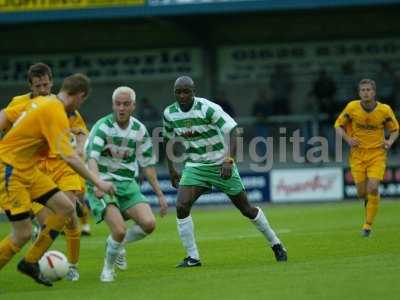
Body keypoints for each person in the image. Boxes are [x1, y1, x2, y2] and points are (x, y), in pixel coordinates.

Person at [0, 73, 114, 286]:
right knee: (23, 233)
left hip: (29, 170)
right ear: (79, 95)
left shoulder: (44, 102)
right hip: (10, 170)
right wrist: (98, 182)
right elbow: (69, 157)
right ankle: (31, 258)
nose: (79, 106)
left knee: (65, 208)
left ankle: (30, 262)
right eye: (82, 100)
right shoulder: (56, 112)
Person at [163, 76, 287, 267]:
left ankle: (276, 244)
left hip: (221, 163)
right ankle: (193, 257)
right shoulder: (170, 113)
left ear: (194, 91)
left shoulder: (207, 108)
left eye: (186, 91)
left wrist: (229, 160)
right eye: (178, 92)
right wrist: (171, 169)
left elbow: (234, 131)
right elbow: (168, 140)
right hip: (195, 166)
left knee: (247, 209)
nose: (182, 95)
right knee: (181, 206)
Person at [85, 86, 168, 282]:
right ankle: (107, 269)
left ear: (133, 106)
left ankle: (118, 244)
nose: (121, 108)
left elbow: (147, 165)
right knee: (119, 230)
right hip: (103, 183)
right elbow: (91, 158)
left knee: (149, 224)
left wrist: (160, 194)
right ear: (113, 105)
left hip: (127, 185)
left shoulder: (139, 129)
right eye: (118, 104)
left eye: (126, 104)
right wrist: (97, 183)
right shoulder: (103, 126)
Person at [334, 79, 399, 237]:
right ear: (359, 93)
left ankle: (367, 225)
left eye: (368, 90)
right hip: (357, 156)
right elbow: (337, 125)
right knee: (361, 193)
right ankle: (369, 201)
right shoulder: (352, 107)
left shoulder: (384, 110)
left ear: (374, 92)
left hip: (377, 154)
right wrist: (348, 139)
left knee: (373, 188)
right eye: (363, 90)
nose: (366, 92)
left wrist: (389, 141)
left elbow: (395, 129)